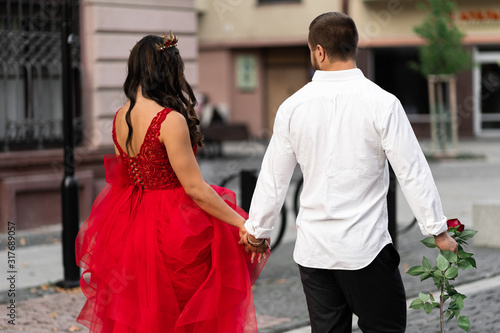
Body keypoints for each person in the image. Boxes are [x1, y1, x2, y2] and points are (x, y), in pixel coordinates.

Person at [241, 12, 458, 333]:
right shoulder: (383, 103)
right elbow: (412, 171)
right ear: (353, 48)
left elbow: (273, 176)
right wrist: (437, 231)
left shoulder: (292, 107)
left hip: (314, 251)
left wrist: (257, 230)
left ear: (319, 51)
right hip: (365, 247)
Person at [75, 32, 267, 333]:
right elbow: (195, 189)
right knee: (182, 316)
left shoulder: (119, 116)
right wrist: (242, 223)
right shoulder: (169, 119)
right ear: (165, 71)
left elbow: (124, 179)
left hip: (128, 226)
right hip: (172, 230)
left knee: (142, 316)